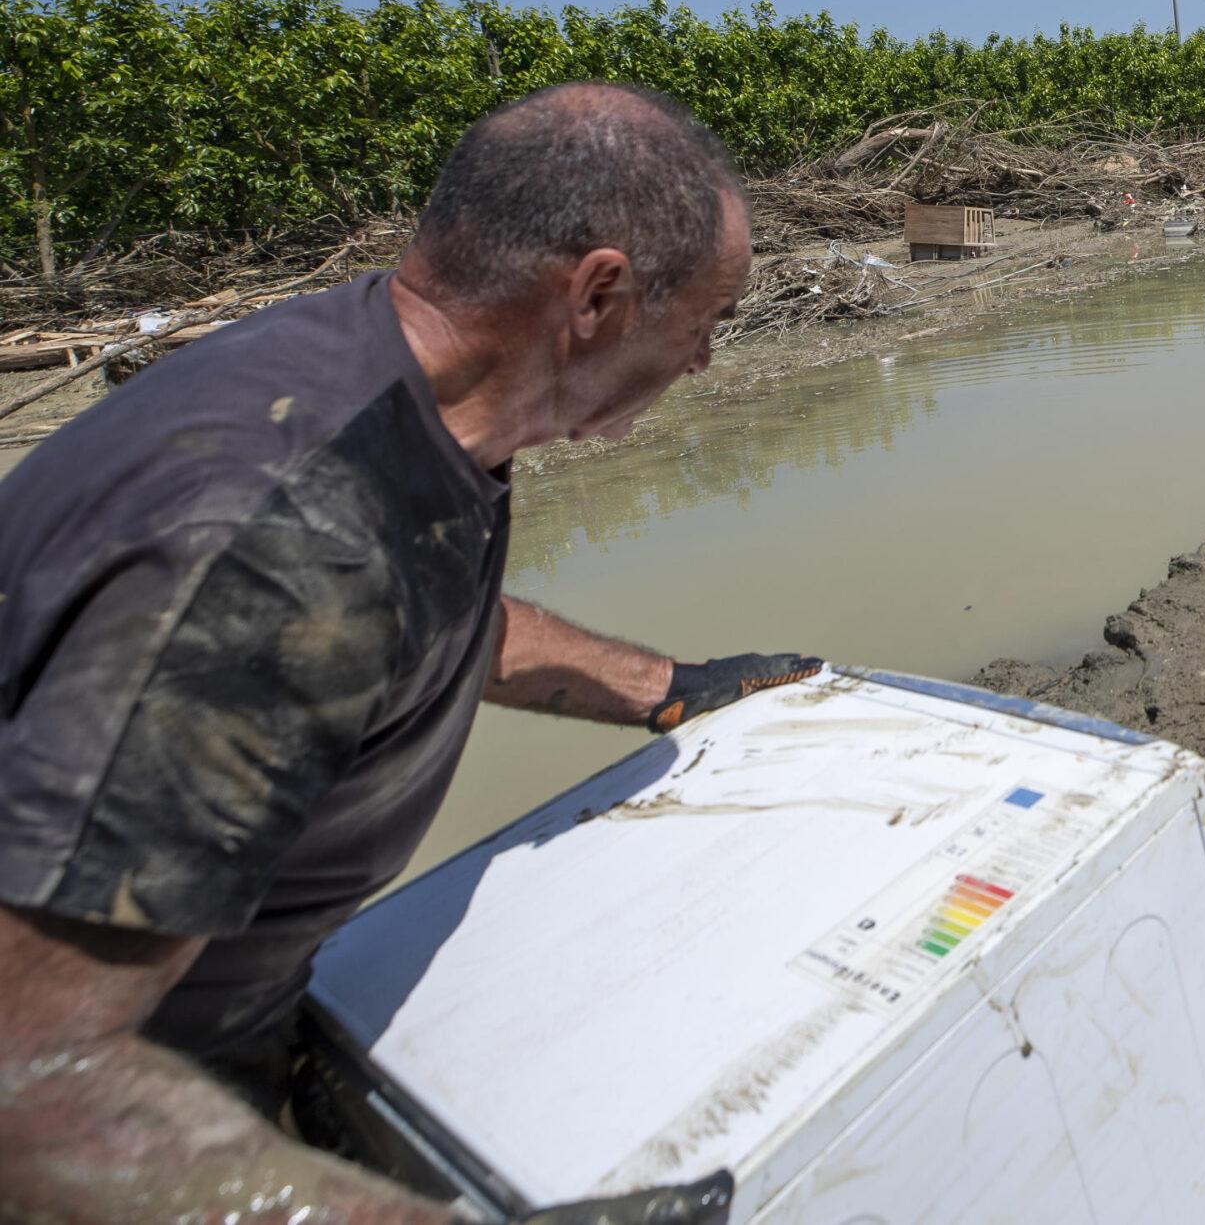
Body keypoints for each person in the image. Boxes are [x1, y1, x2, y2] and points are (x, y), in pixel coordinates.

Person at [0, 82, 821, 1222]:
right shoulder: (277, 543)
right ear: (598, 294)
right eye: (706, 322)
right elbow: (25, 1082)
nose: (703, 365)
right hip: (117, 1126)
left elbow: (401, 612)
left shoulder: (373, 381)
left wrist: (661, 688)